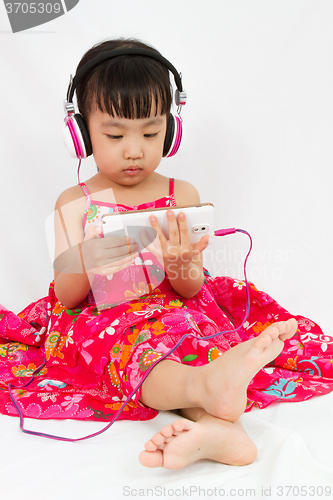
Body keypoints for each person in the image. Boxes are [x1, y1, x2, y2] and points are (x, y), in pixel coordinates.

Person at [1, 38, 333, 470]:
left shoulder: (182, 195)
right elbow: (64, 297)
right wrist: (86, 258)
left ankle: (218, 427)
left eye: (151, 132)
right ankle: (211, 402)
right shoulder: (75, 201)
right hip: (103, 314)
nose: (135, 149)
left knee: (187, 338)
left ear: (171, 131)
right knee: (136, 349)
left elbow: (190, 287)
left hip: (171, 305)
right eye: (115, 134)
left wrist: (180, 260)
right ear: (81, 134)